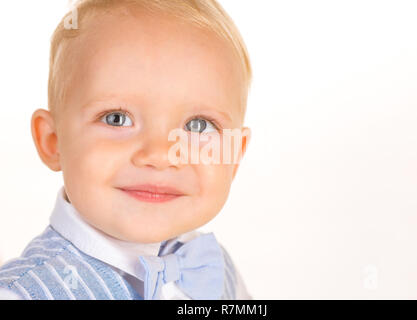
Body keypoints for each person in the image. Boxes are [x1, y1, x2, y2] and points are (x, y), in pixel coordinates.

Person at [0, 0, 252, 300]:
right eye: (116, 119)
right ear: (53, 140)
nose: (160, 155)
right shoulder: (23, 293)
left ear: (234, 154)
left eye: (198, 125)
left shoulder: (213, 271)